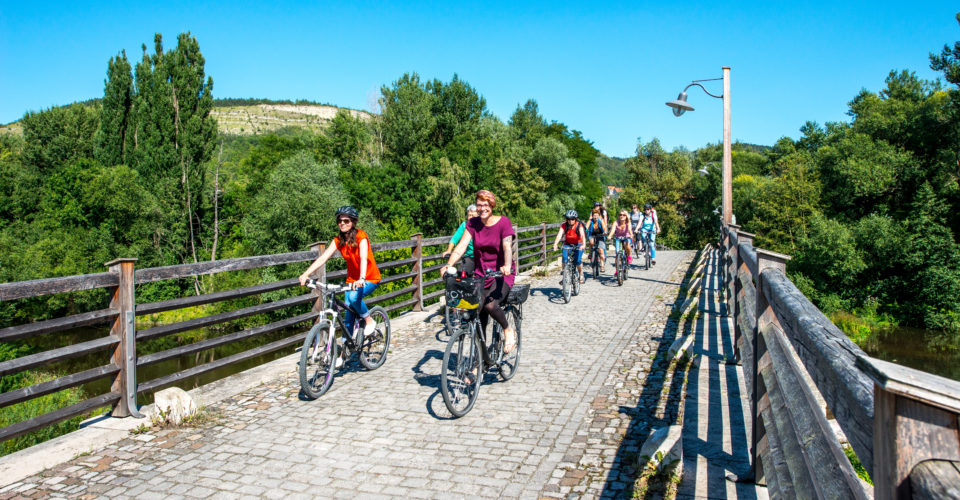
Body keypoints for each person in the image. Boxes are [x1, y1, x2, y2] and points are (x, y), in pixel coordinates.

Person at [299, 206, 382, 365]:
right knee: (348, 314)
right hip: (352, 280)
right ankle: (344, 353)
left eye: (346, 221)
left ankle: (369, 320)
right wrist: (306, 274)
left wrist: (362, 278)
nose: (342, 223)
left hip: (369, 278)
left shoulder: (361, 236)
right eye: (339, 221)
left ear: (353, 222)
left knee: (352, 297)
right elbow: (323, 258)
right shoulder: (338, 240)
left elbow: (363, 258)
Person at [442, 190, 517, 354]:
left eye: (485, 205)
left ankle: (507, 329)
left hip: (501, 273)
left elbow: (506, 246)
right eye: (479, 205)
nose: (482, 208)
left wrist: (506, 265)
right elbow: (461, 246)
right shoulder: (473, 224)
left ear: (492, 205)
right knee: (477, 312)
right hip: (481, 273)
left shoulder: (503, 222)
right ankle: (479, 361)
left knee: (491, 305)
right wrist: (449, 264)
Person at [442, 204, 479, 275]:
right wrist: (449, 250)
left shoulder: (482, 225)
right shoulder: (464, 225)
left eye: (473, 216)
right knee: (461, 274)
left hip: (482, 257)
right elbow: (455, 238)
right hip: (470, 257)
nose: (470, 218)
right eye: (469, 215)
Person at [552, 209, 586, 284]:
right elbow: (559, 235)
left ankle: (581, 274)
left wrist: (583, 245)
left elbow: (582, 235)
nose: (570, 221)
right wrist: (555, 244)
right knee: (564, 258)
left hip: (578, 243)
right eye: (568, 219)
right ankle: (565, 275)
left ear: (575, 219)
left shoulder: (579, 225)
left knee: (577, 261)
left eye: (572, 219)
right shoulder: (564, 225)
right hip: (568, 243)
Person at [607, 209, 634, 275]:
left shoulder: (628, 222)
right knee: (617, 253)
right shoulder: (616, 222)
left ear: (626, 216)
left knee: (626, 244)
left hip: (626, 237)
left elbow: (630, 230)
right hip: (618, 238)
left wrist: (631, 235)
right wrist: (610, 236)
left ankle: (629, 256)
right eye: (620, 215)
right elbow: (613, 230)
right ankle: (617, 269)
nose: (622, 216)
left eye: (623, 215)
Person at [586, 206, 608, 272]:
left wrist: (605, 232)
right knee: (591, 242)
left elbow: (604, 227)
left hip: (600, 235)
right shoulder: (590, 221)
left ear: (599, 215)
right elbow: (586, 227)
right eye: (594, 215)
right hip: (592, 235)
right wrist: (585, 231)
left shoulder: (601, 220)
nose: (595, 217)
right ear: (592, 216)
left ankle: (602, 265)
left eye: (597, 215)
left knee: (601, 251)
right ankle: (590, 253)